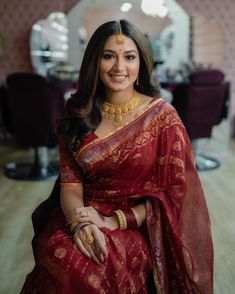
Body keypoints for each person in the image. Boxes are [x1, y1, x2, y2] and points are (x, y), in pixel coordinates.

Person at [21, 19, 213, 293]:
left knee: (82, 266)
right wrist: (79, 224)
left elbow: (174, 197)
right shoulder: (78, 114)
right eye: (108, 56)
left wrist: (114, 221)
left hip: (138, 224)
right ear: (94, 61)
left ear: (142, 62)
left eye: (130, 57)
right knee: (58, 253)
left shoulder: (162, 118)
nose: (119, 67)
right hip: (84, 213)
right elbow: (71, 186)